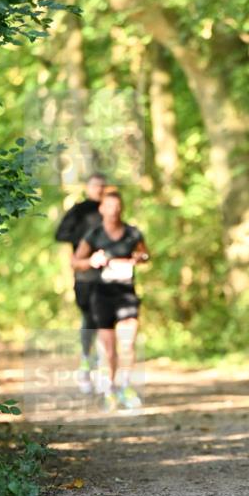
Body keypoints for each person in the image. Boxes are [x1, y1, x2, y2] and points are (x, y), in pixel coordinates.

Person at [71, 190, 150, 411]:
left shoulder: (133, 233)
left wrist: (139, 258)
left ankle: (125, 386)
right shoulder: (94, 235)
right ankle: (110, 389)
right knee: (109, 349)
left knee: (128, 342)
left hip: (126, 294)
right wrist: (91, 261)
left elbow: (145, 255)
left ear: (121, 209)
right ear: (102, 209)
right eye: (109, 207)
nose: (113, 211)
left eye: (117, 207)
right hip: (102, 295)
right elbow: (75, 262)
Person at [55, 172, 107, 393]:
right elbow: (60, 234)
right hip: (85, 273)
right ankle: (87, 363)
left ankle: (106, 371)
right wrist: (86, 238)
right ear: (87, 188)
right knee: (90, 317)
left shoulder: (111, 208)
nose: (100, 190)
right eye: (96, 186)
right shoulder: (79, 210)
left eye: (103, 186)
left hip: (109, 273)